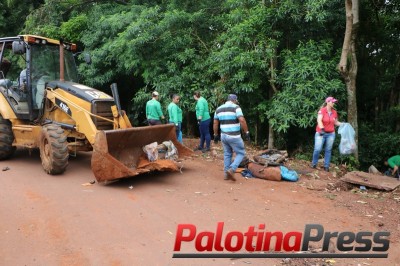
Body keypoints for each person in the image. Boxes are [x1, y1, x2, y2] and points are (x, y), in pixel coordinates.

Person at [213, 94, 250, 181]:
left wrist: (215, 135)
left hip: (223, 135)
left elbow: (215, 123)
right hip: (234, 136)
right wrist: (246, 132)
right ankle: (232, 169)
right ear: (234, 100)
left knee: (227, 153)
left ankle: (226, 174)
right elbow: (242, 120)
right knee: (241, 153)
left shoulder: (219, 109)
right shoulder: (236, 107)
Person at [311, 96, 342, 172]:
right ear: (328, 102)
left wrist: (344, 124)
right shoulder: (322, 110)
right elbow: (319, 120)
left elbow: (335, 122)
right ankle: (314, 163)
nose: (334, 103)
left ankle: (326, 166)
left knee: (328, 150)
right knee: (317, 149)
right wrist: (322, 129)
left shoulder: (334, 112)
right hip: (321, 133)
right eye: (332, 102)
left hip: (331, 134)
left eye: (334, 102)